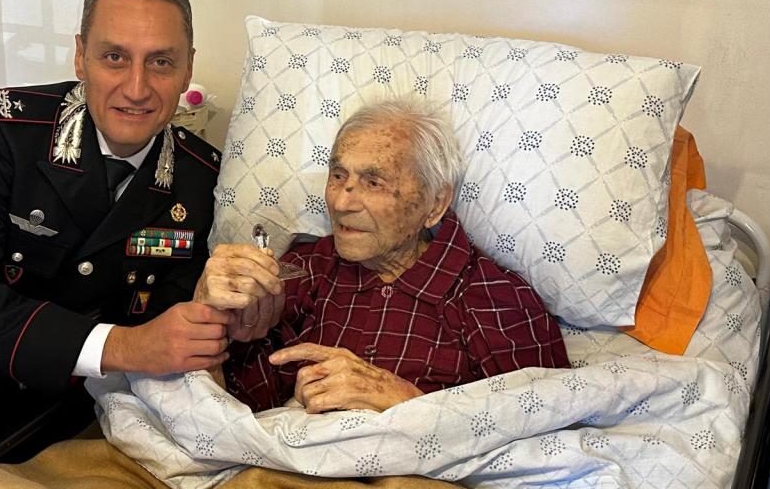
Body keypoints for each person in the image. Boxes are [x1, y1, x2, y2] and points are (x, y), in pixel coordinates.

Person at [0, 0, 277, 489]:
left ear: (187, 69)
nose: (137, 88)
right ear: (80, 57)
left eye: (160, 62)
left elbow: (170, 320)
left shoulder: (201, 181)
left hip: (79, 411)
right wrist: (130, 345)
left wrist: (230, 318)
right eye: (114, 57)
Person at [197, 98, 570, 413]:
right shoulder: (308, 269)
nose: (341, 203)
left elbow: (549, 438)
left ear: (435, 203)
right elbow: (233, 415)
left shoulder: (495, 300)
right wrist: (212, 319)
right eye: (338, 176)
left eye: (373, 183)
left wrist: (407, 403)